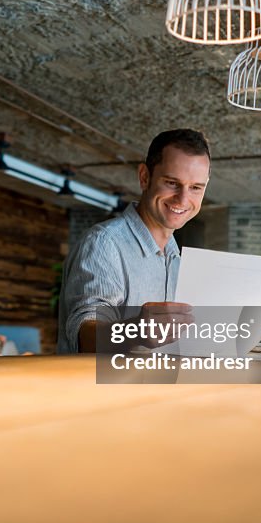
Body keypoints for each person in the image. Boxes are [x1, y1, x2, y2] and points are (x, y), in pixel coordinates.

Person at [57, 129, 211, 354]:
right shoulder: (104, 243)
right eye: (171, 183)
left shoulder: (175, 257)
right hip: (100, 389)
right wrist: (136, 331)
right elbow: (85, 335)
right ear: (145, 177)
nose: (183, 199)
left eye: (196, 187)